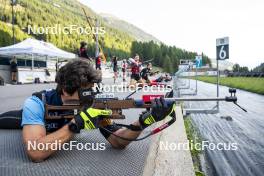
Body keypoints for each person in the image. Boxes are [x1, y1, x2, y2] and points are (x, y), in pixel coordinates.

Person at [0, 59, 175, 162]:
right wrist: (76, 124)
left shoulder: (91, 104)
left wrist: (144, 121)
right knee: (9, 120)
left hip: (57, 128)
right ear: (67, 89)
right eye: (86, 91)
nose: (91, 94)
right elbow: (35, 151)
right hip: (38, 121)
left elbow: (117, 140)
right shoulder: (36, 103)